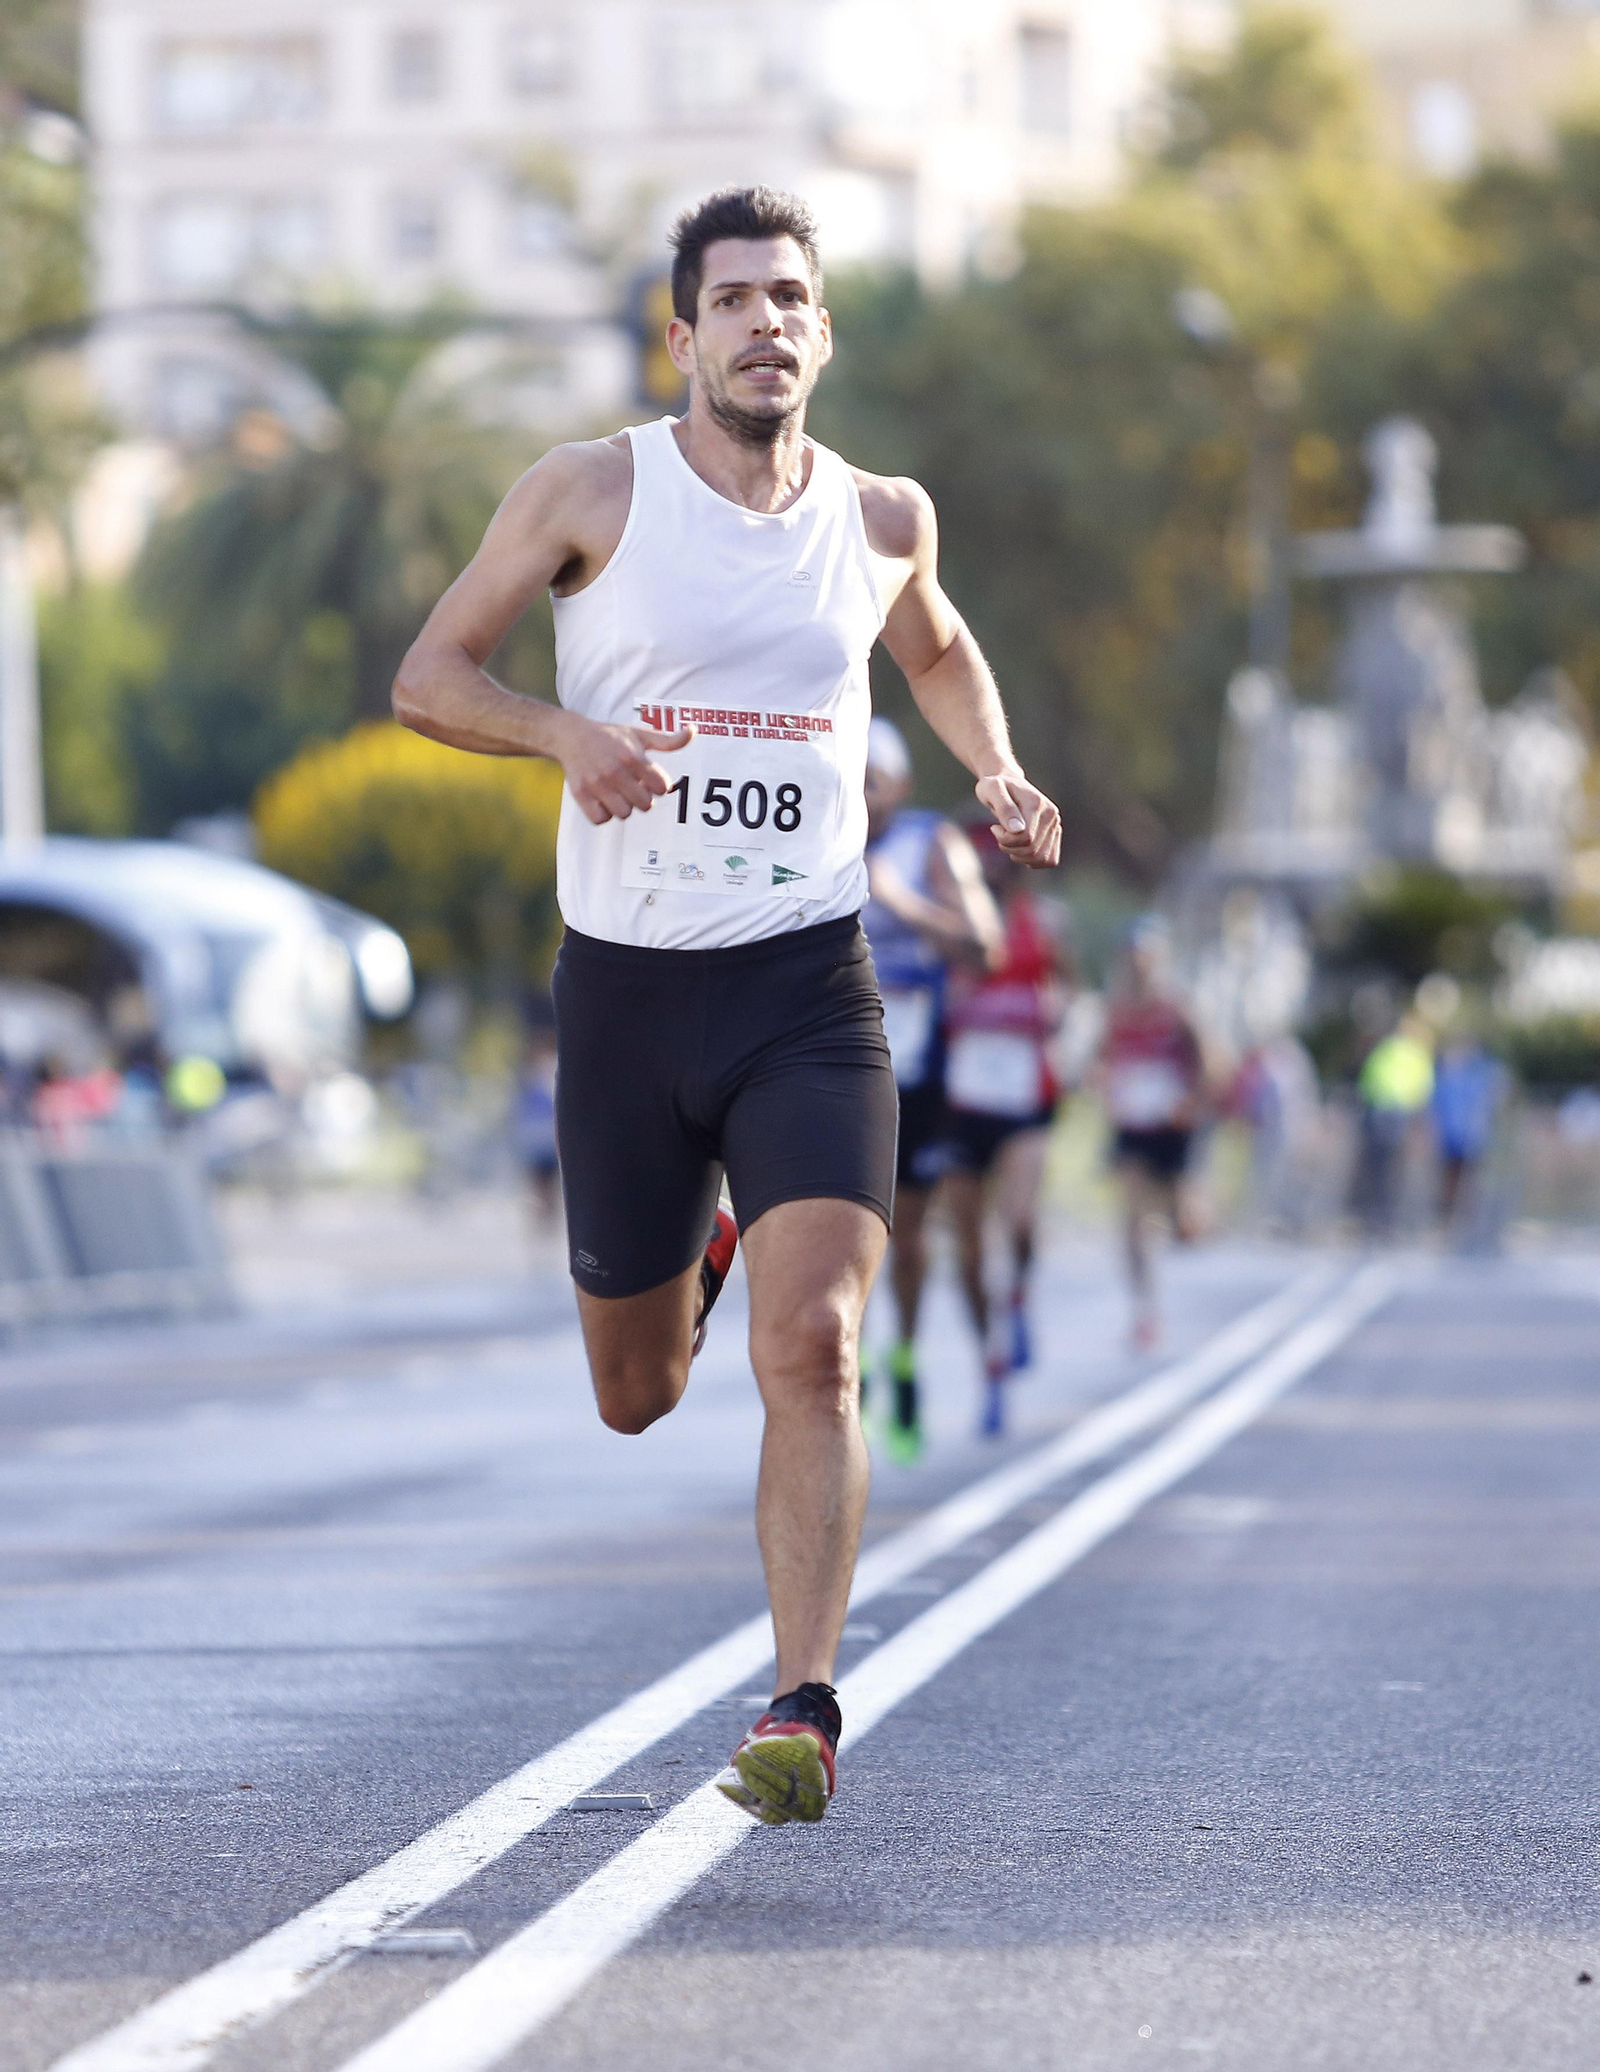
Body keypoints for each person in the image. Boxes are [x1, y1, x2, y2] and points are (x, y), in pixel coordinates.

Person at [392, 187, 1060, 1828]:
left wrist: (996, 766)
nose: (769, 321)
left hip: (806, 994)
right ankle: (691, 1255)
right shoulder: (592, 491)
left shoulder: (883, 517)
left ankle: (803, 1702)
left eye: (794, 299)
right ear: (684, 333)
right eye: (737, 299)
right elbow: (430, 676)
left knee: (819, 1346)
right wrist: (563, 739)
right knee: (637, 1390)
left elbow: (942, 649)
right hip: (625, 992)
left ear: (822, 334)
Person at [859, 715, 1001, 1461]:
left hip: (917, 1070)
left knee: (906, 1239)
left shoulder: (929, 845)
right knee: (830, 1230)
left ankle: (904, 1357)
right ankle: (841, 1364)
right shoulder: (814, 839)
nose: (860, 798)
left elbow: (987, 945)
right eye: (847, 782)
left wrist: (904, 906)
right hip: (831, 1064)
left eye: (872, 783)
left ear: (901, 786)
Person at [941, 821, 1072, 1435]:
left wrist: (1058, 1011)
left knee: (1016, 1222)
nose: (994, 875)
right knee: (967, 1255)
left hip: (1024, 1095)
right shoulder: (949, 923)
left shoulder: (1041, 923)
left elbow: (1068, 986)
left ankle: (1018, 1295)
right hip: (962, 1100)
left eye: (1003, 866)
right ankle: (988, 1363)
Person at [1098, 918, 1205, 1352]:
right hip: (1132, 1125)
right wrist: (1105, 1084)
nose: (1138, 967)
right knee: (1132, 1220)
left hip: (1171, 1124)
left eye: (1145, 959)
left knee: (1185, 1226)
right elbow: (1100, 1058)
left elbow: (1206, 1060)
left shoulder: (1176, 1009)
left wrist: (1191, 1101)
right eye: (1132, 958)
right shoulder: (1117, 1010)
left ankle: (1187, 1211)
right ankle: (1145, 1310)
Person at [1430, 1030, 1502, 1229]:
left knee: (1471, 1179)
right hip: (1451, 1139)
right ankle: (1447, 1220)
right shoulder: (1445, 1079)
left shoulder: (1478, 1075)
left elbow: (1489, 1101)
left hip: (1471, 1138)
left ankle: (1468, 1220)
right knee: (1450, 1179)